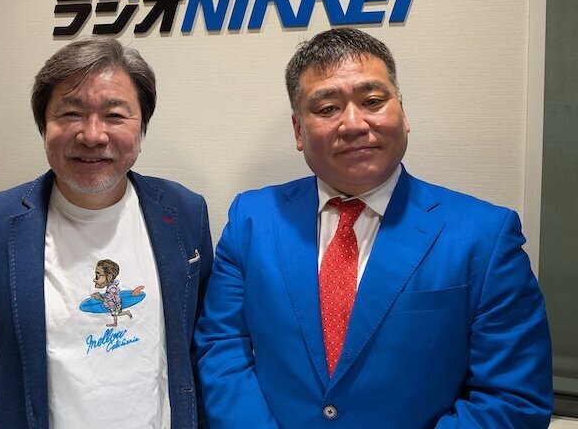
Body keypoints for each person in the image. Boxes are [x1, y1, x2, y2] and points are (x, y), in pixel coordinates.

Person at [194, 27, 552, 428]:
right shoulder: (252, 219)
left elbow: (512, 399)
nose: (353, 123)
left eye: (373, 101)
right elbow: (222, 347)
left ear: (403, 113)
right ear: (298, 131)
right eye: (327, 108)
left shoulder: (484, 236)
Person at [0, 38, 213, 428]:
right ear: (44, 125)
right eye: (70, 113)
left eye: (114, 115)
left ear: (141, 125)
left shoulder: (184, 213)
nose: (92, 135)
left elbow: (204, 349)